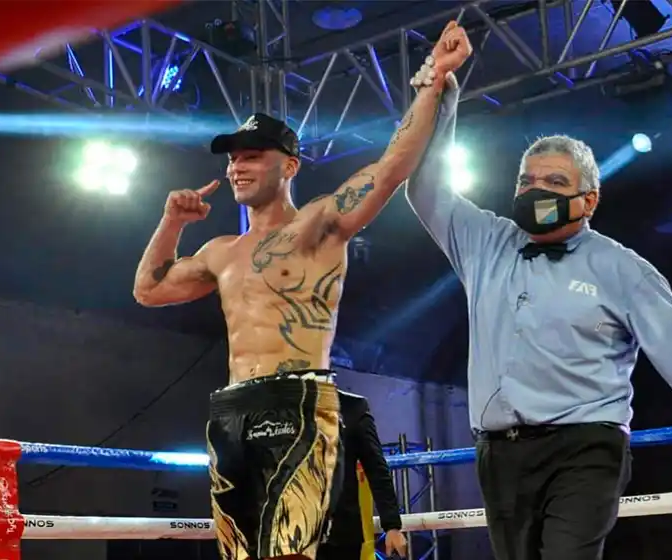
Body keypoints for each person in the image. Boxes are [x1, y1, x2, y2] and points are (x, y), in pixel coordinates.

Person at [131, 21, 472, 560]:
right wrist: (172, 222)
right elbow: (148, 291)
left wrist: (433, 83)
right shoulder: (220, 250)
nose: (237, 165)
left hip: (299, 400)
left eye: (251, 155)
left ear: (288, 166)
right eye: (233, 157)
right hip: (232, 406)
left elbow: (391, 168)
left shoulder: (319, 224)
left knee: (292, 553)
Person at [404, 76, 672, 560]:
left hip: (586, 445)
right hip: (500, 452)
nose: (537, 191)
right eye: (527, 181)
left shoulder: (620, 268)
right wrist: (442, 100)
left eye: (555, 183)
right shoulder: (485, 243)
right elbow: (424, 186)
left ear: (589, 200)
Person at [318, 390, 407, 560]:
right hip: (289, 535)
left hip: (340, 533)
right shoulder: (277, 408)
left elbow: (376, 468)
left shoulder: (351, 408)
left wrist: (392, 526)